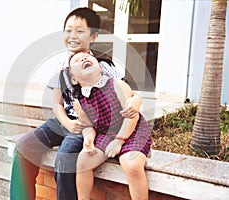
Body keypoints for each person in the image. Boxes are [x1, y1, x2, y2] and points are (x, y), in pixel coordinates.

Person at [10, 7, 142, 200]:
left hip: (88, 124)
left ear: (94, 36)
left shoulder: (103, 65)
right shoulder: (60, 67)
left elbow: (130, 93)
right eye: (68, 30)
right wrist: (67, 123)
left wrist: (136, 101)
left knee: (64, 160)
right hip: (65, 122)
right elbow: (57, 104)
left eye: (80, 31)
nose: (73, 36)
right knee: (23, 148)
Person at [61, 51, 152, 200]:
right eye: (77, 60)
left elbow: (132, 115)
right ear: (74, 79)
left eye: (87, 56)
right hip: (106, 134)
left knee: (132, 165)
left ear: (100, 68)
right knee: (83, 161)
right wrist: (88, 138)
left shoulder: (116, 84)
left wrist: (119, 140)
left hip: (133, 130)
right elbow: (87, 125)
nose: (84, 57)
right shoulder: (80, 102)